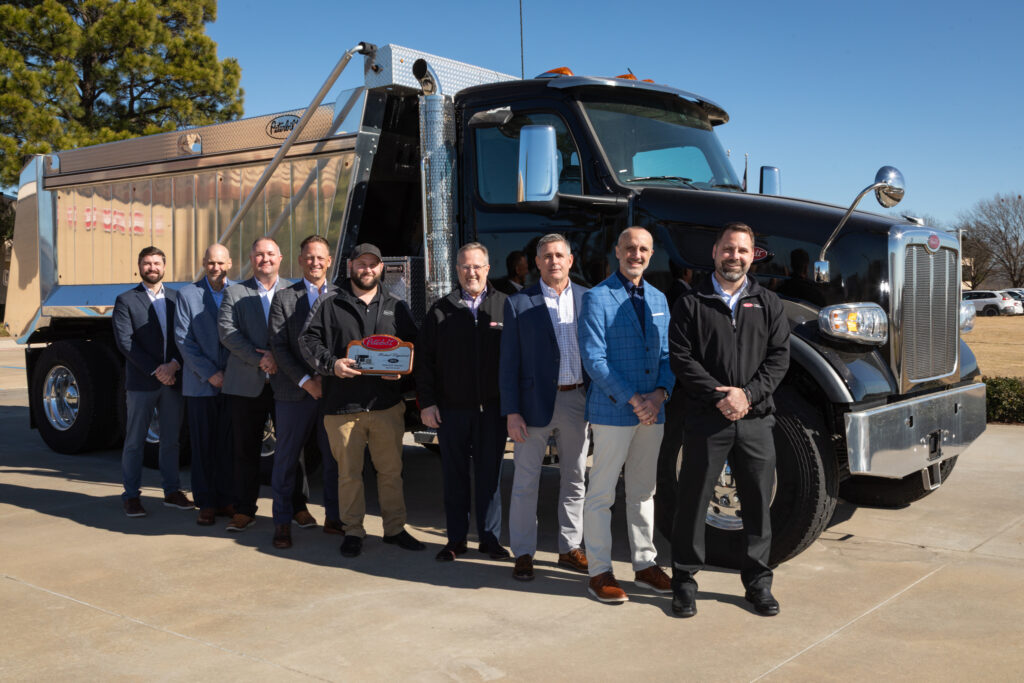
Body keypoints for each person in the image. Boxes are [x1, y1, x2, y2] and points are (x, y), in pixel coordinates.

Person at [668, 222, 790, 618]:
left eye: (742, 250)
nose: (734, 256)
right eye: (728, 248)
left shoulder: (769, 303)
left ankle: (758, 583)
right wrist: (721, 396)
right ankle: (684, 582)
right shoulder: (691, 302)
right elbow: (682, 359)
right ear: (715, 252)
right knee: (692, 502)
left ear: (753, 256)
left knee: (757, 504)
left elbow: (779, 359)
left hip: (755, 420)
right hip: (707, 419)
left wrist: (748, 396)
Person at [299, 242, 423, 558]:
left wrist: (402, 376)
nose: (367, 269)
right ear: (350, 266)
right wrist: (332, 365)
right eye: (361, 263)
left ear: (381, 268)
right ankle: (353, 530)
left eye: (372, 264)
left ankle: (394, 529)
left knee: (391, 472)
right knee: (349, 475)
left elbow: (414, 348)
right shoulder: (330, 302)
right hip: (342, 407)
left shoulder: (396, 305)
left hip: (386, 406)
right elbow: (307, 340)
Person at [578, 226, 674, 603]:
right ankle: (599, 571)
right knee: (601, 493)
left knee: (643, 491)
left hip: (653, 412)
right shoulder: (597, 297)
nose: (636, 254)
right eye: (630, 248)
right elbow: (594, 359)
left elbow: (668, 355)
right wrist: (635, 399)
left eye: (643, 249)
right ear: (617, 252)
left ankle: (645, 565)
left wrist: (660, 394)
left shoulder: (659, 298)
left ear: (651, 255)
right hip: (614, 411)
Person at [499, 233, 590, 581]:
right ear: (537, 263)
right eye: (546, 256)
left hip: (577, 400)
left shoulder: (588, 298)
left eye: (559, 255)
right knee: (525, 481)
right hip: (532, 406)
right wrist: (512, 411)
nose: (553, 261)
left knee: (575, 478)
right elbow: (508, 363)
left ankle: (570, 548)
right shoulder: (518, 303)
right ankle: (523, 553)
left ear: (570, 260)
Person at [416, 242, 509, 562]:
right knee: (454, 477)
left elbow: (517, 360)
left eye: (477, 266)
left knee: (490, 477)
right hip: (452, 411)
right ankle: (456, 540)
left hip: (493, 410)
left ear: (488, 269)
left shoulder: (506, 306)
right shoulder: (440, 310)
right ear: (457, 271)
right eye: (465, 267)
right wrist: (427, 403)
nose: (472, 272)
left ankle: (490, 539)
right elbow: (424, 361)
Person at [218, 237, 313, 532]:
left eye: (270, 253)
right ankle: (244, 509)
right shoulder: (235, 292)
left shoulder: (295, 291)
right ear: (251, 259)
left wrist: (278, 358)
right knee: (245, 449)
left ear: (281, 258)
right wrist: (261, 358)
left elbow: (305, 332)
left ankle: (298, 506)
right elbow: (227, 332)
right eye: (259, 254)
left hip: (288, 383)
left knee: (293, 449)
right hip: (247, 384)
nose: (265, 259)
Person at [267, 235, 343, 549]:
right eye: (309, 257)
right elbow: (278, 346)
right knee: (285, 461)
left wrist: (326, 379)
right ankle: (282, 523)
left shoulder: (342, 296)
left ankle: (334, 518)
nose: (315, 263)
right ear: (300, 260)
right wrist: (306, 381)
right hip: (293, 392)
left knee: (335, 459)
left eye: (320, 257)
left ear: (329, 261)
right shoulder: (284, 298)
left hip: (332, 392)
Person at [112, 246, 191, 517]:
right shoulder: (126, 300)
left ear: (164, 267)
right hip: (142, 383)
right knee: (134, 441)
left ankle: (172, 491)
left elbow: (185, 336)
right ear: (139, 267)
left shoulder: (177, 299)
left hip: (173, 379)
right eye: (147, 263)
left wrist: (174, 365)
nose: (152, 268)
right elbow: (125, 342)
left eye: (157, 263)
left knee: (171, 440)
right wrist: (157, 370)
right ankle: (131, 496)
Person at [173, 243, 235, 525]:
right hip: (200, 384)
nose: (216, 267)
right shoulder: (187, 294)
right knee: (203, 447)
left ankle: (227, 499)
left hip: (234, 383)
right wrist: (210, 373)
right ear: (203, 263)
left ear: (230, 264)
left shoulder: (240, 292)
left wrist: (231, 373)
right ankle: (206, 503)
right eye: (211, 262)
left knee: (229, 445)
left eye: (221, 262)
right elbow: (183, 339)